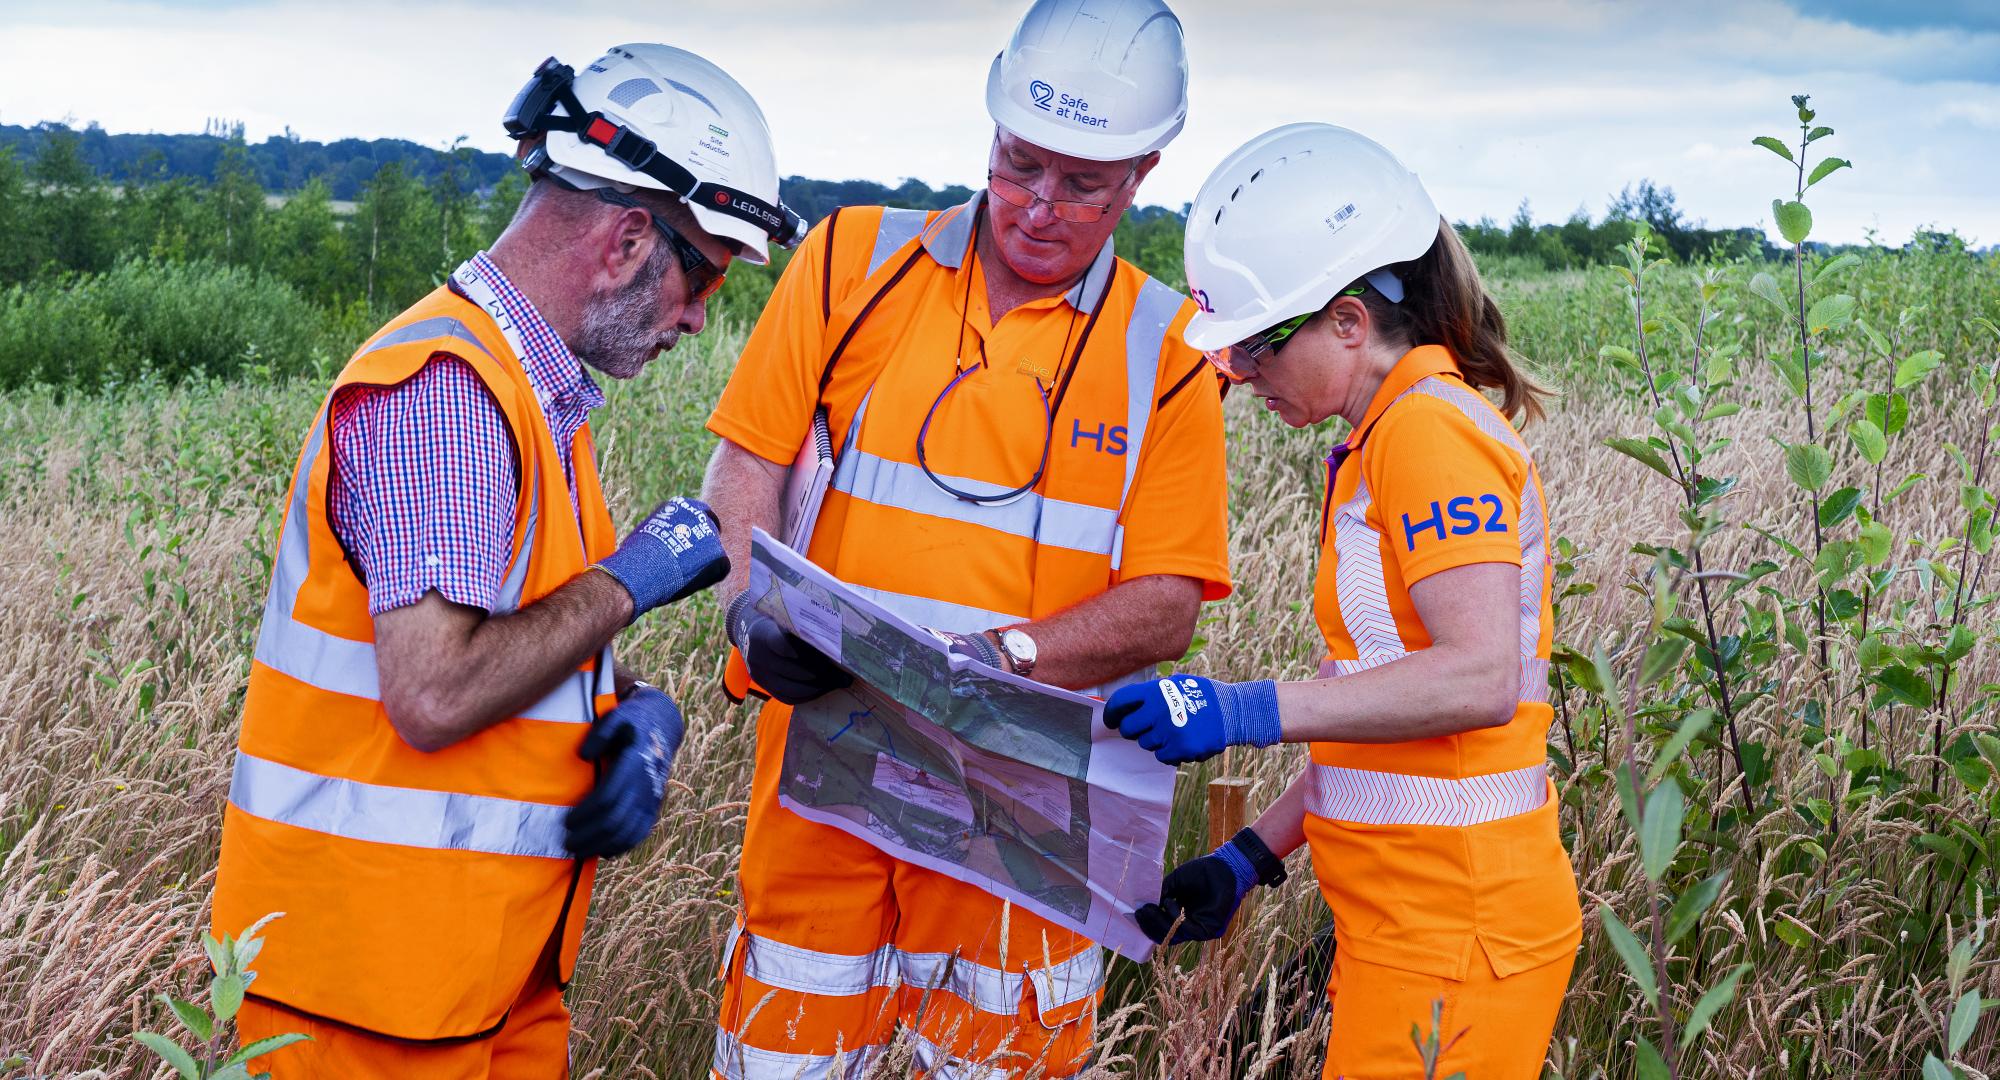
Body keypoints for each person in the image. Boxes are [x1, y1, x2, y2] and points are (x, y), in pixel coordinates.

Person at [213, 44, 803, 1078]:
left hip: (471, 986)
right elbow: (436, 691)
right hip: (361, 1006)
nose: (701, 315)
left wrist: (630, 711)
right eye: (704, 272)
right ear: (627, 239)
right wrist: (629, 583)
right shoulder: (446, 391)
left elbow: (528, 639)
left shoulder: (535, 398)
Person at [699, 1, 1231, 1074]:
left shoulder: (1169, 345)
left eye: (1081, 184)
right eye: (1017, 162)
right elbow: (745, 466)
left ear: (1142, 173)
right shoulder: (852, 259)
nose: (1037, 207)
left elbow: (1166, 601)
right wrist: (751, 614)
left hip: (1020, 818)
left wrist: (993, 666)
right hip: (820, 786)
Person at [1106, 123, 1579, 1078]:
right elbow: (1385, 709)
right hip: (1408, 927)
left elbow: (1478, 677)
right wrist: (1251, 855)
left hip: (1460, 938)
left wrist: (1240, 708)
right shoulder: (1381, 442)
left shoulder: (1432, 439)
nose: (1237, 373)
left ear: (1350, 322)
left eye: (1256, 347)